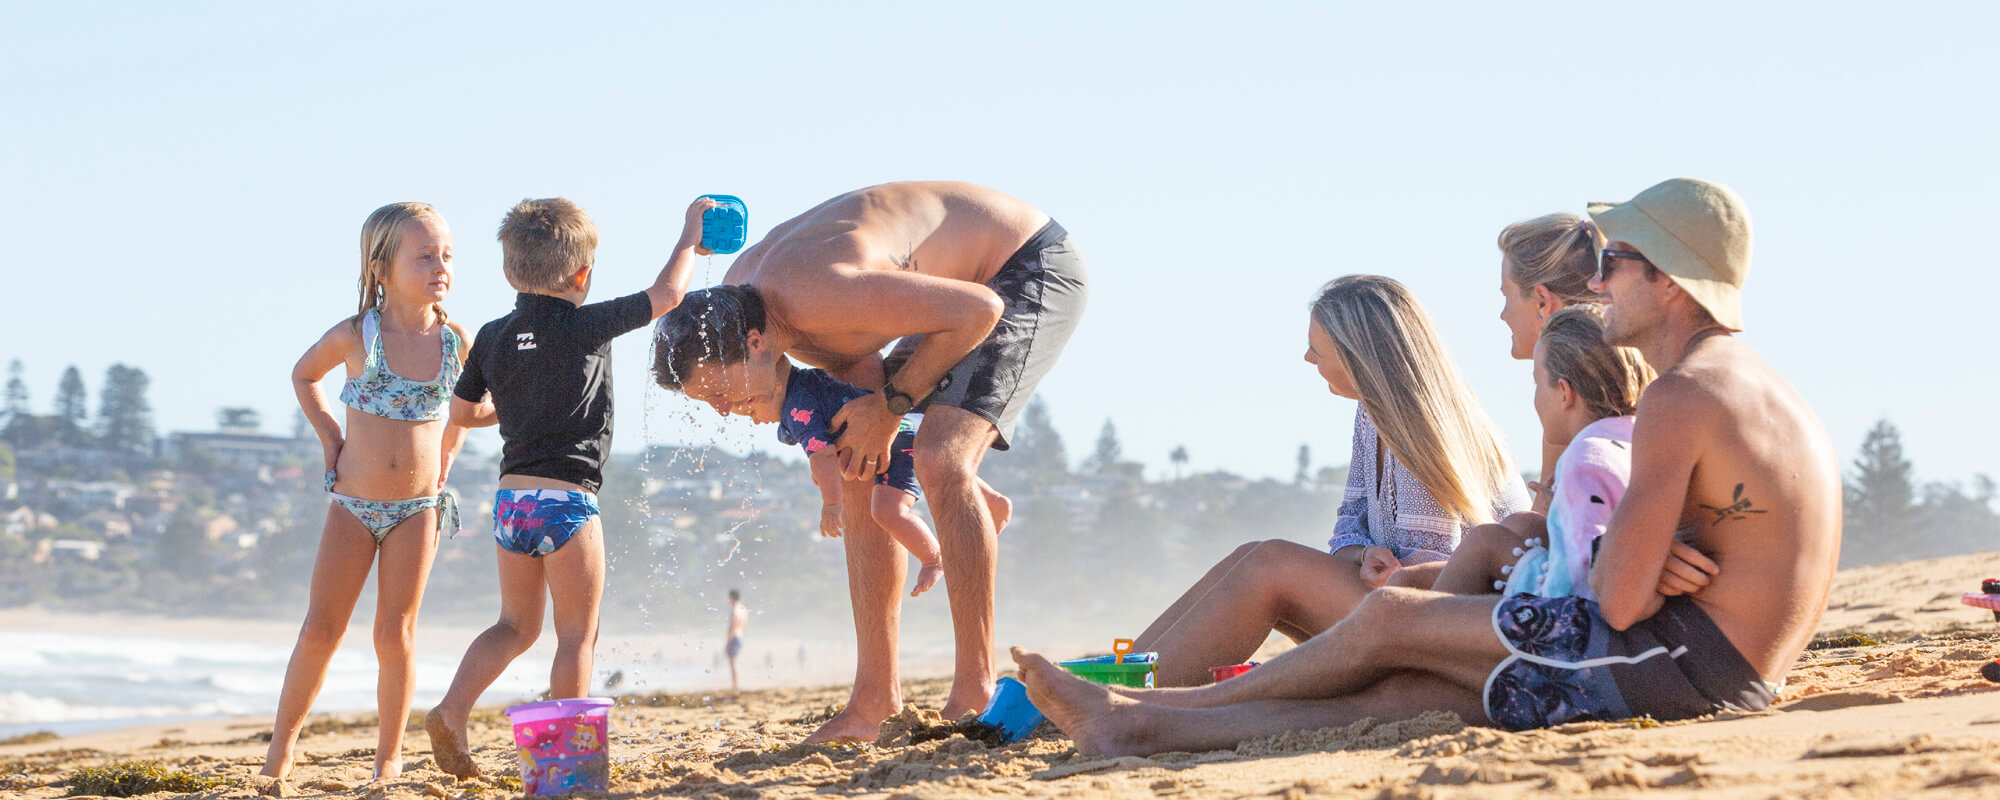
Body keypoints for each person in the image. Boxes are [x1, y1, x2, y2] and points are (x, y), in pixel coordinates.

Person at [1012, 178, 1842, 755]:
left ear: (1667, 282)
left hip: (1673, 665)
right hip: (1714, 669)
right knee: (1401, 702)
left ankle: (1147, 702)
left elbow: (1619, 597)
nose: (1597, 282)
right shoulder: (1751, 383)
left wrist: (1632, 553)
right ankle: (1138, 724)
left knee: (1388, 623)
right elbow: (1640, 554)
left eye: (1614, 264)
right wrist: (1635, 545)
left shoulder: (1683, 395)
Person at [651, 182, 1082, 741]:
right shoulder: (747, 306)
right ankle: (874, 701)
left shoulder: (813, 296)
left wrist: (891, 407)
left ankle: (974, 690)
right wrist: (867, 436)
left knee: (940, 458)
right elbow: (859, 372)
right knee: (857, 460)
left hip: (1022, 266)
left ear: (755, 342)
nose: (721, 409)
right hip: (953, 295)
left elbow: (981, 310)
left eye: (719, 391)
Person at [423, 196, 715, 778]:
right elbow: (669, 296)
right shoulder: (586, 323)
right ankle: (566, 765)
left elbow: (461, 413)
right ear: (582, 274)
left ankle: (452, 710)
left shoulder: (493, 334)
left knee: (514, 626)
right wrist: (689, 238)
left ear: (511, 271)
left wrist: (512, 406)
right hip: (568, 500)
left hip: (511, 503)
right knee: (577, 634)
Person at [1129, 275, 1531, 687]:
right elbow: (1347, 527)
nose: (1307, 358)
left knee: (1271, 565)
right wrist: (1363, 554)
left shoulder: (1426, 428)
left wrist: (1380, 571)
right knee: (1254, 556)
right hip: (1414, 613)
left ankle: (1124, 694)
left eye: (1317, 348)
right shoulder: (1372, 415)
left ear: (1358, 354)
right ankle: (1116, 675)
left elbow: (1440, 582)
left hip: (1465, 637)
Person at [262, 202, 478, 780]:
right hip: (353, 506)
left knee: (395, 632)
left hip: (418, 509)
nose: (440, 265)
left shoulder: (456, 341)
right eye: (425, 255)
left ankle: (389, 758)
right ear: (382, 269)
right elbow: (304, 375)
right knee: (320, 629)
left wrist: (451, 450)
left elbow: (471, 406)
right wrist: (329, 435)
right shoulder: (359, 334)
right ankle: (281, 749)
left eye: (447, 255)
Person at [1421, 304, 1652, 596]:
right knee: (1515, 527)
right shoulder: (1643, 437)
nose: (1535, 396)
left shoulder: (1586, 457)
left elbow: (1584, 578)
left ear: (1565, 393)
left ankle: (1431, 633)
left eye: (1537, 382)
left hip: (1572, 617)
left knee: (1483, 542)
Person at [765, 357, 1010, 597]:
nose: (752, 418)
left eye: (749, 405)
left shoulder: (794, 409)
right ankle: (992, 499)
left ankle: (933, 559)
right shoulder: (807, 380)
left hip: (894, 439)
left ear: (774, 385)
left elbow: (824, 456)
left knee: (887, 510)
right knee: (939, 468)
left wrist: (831, 504)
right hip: (906, 420)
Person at [1495, 213, 1602, 511]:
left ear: (1542, 300)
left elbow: (1543, 525)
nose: (1503, 314)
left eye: (1507, 295)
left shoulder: (1563, 392)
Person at [726, 589, 748, 692]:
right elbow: (744, 626)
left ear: (732, 598)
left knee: (733, 663)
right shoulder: (743, 609)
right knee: (734, 662)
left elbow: (732, 627)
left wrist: (727, 642)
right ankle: (735, 685)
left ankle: (735, 686)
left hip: (734, 637)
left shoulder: (734, 610)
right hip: (740, 637)